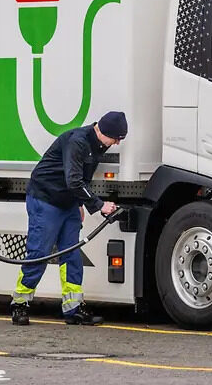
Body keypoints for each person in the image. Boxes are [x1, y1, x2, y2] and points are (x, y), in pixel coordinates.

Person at [11, 111, 127, 326]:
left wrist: (80, 203)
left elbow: (81, 179)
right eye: (116, 138)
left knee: (72, 254)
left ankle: (73, 309)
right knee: (39, 252)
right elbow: (73, 179)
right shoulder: (78, 142)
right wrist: (100, 205)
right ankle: (20, 304)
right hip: (46, 198)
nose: (117, 143)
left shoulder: (99, 144)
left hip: (68, 202)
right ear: (103, 131)